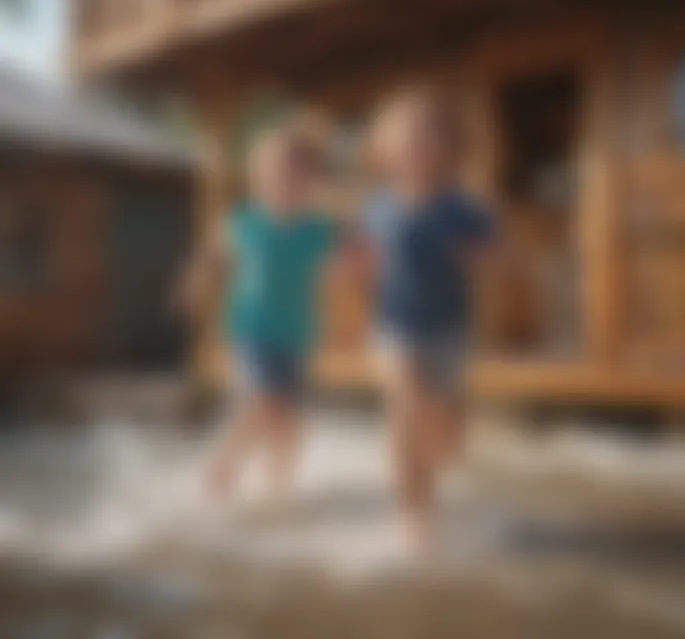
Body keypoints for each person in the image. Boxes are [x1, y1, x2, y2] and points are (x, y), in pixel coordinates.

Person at [362, 86, 495, 554]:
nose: (418, 144)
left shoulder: (463, 208)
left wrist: (480, 259)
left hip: (448, 331)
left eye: (430, 136)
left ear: (449, 149)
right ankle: (412, 512)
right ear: (387, 148)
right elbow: (364, 259)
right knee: (406, 403)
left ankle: (430, 479)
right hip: (395, 328)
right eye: (408, 135)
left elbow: (492, 258)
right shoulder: (377, 207)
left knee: (443, 433)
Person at [182, 121, 341, 507]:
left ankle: (279, 488)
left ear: (312, 180)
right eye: (279, 171)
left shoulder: (320, 229)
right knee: (262, 402)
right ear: (260, 176)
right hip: (251, 330)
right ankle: (220, 472)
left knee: (287, 417)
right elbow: (213, 257)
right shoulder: (243, 221)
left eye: (298, 172)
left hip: (297, 333)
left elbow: (346, 271)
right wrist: (194, 281)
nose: (287, 179)